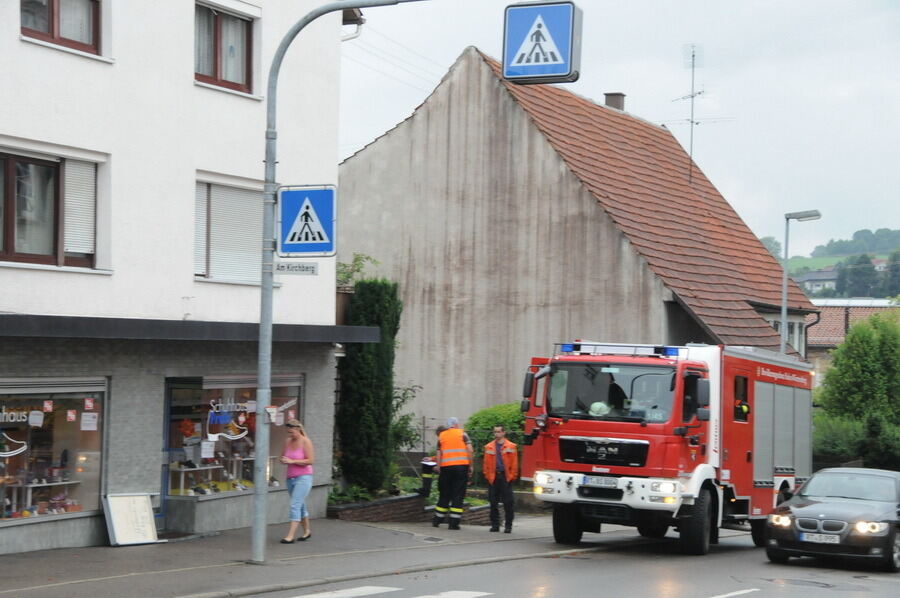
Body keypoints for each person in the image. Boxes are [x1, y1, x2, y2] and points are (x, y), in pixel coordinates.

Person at [433, 417, 473, 530]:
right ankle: (453, 523)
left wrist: (439, 467)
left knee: (444, 494)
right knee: (458, 495)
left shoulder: (442, 436)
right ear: (456, 424)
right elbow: (470, 450)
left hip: (446, 468)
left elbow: (439, 454)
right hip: (461, 468)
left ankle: (437, 520)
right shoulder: (463, 434)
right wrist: (471, 466)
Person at [279, 419, 314, 543]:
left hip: (304, 477)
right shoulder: (287, 441)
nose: (290, 435)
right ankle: (307, 531)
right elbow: (282, 457)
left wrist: (293, 461)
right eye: (288, 432)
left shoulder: (306, 441)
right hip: (290, 478)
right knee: (300, 505)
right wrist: (283, 460)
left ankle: (290, 536)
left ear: (298, 429)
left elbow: (310, 460)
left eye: (292, 432)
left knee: (295, 504)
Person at [482, 424, 518, 533]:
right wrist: (487, 475)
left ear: (503, 433)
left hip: (505, 477)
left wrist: (512, 476)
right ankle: (495, 525)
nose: (496, 434)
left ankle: (508, 526)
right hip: (493, 477)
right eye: (495, 432)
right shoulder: (489, 446)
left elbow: (514, 463)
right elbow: (485, 464)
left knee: (508, 503)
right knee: (493, 502)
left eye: (498, 432)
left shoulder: (511, 446)